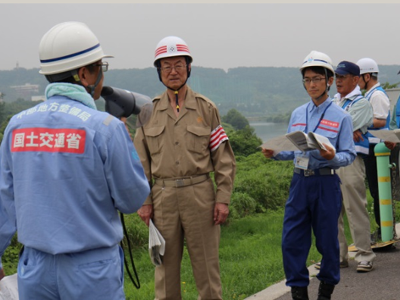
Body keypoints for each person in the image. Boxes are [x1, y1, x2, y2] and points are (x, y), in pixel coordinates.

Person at [0, 22, 150, 299]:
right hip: (91, 271)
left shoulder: (17, 127)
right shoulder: (106, 128)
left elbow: (3, 201)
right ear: (84, 74)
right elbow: (131, 199)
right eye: (99, 68)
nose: (102, 77)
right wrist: (125, 144)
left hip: (34, 268)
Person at [134, 36, 236, 300]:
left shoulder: (206, 108)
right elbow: (140, 163)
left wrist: (222, 200)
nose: (173, 71)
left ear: (189, 68)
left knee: (207, 271)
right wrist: (145, 201)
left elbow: (223, 159)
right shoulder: (147, 112)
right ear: (159, 72)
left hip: (200, 195)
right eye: (166, 66)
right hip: (163, 198)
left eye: (179, 65)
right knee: (165, 273)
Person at [262, 51, 356, 300]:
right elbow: (291, 152)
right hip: (299, 183)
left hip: (326, 182)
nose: (311, 85)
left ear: (329, 80)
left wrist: (331, 157)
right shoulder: (297, 114)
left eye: (316, 79)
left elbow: (349, 155)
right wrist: (274, 153)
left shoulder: (342, 117)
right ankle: (298, 293)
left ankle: (325, 292)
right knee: (291, 240)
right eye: (307, 80)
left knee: (327, 242)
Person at [332, 61, 375, 272]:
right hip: (331, 160)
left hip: (351, 160)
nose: (337, 80)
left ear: (355, 79)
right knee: (332, 209)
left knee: (355, 206)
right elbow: (334, 130)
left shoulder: (361, 103)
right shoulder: (333, 102)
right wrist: (344, 130)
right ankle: (338, 255)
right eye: (336, 76)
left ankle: (364, 254)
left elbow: (335, 131)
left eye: (342, 76)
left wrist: (341, 130)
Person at [357, 58, 391, 242]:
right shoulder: (370, 94)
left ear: (367, 76)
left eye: (359, 77)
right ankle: (382, 227)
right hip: (372, 148)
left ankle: (384, 229)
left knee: (379, 191)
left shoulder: (377, 95)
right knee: (376, 191)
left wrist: (358, 122)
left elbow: (380, 120)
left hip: (378, 148)